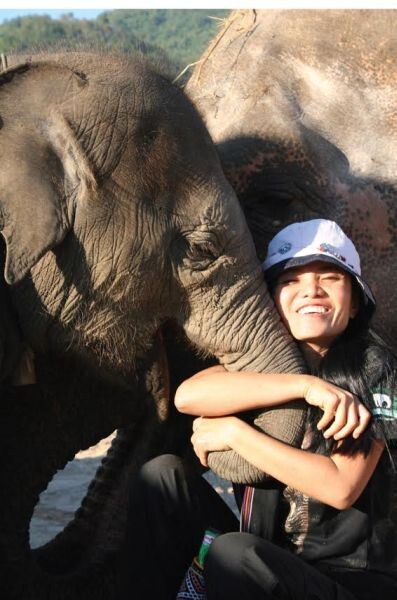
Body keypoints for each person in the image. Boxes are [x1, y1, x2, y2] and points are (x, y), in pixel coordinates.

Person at [121, 219, 397, 600]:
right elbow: (188, 396)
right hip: (266, 557)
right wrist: (304, 386)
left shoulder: (375, 368)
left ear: (354, 304)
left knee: (235, 553)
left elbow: (340, 488)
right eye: (290, 281)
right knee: (161, 477)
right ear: (271, 302)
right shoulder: (265, 365)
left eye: (330, 278)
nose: (311, 291)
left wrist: (235, 433)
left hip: (348, 582)